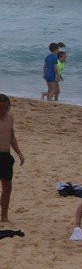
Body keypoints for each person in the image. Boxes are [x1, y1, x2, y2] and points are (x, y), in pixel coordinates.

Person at [0, 94, 26, 224]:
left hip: (6, 156)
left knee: (7, 187)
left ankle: (4, 217)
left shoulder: (10, 119)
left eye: (6, 108)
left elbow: (12, 138)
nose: (3, 111)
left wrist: (19, 153)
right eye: (0, 108)